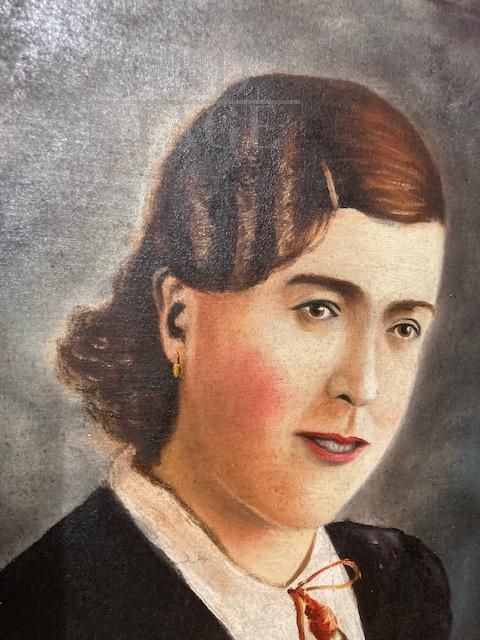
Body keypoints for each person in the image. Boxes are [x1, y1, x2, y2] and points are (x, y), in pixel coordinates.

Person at [0, 74, 452, 639]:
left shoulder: (404, 585)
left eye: (404, 326)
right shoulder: (43, 614)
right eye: (318, 309)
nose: (363, 385)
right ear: (178, 318)